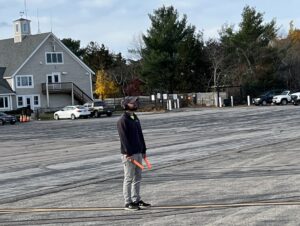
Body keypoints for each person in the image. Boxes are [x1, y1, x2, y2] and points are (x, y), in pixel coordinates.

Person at [117, 96, 151, 211]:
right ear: (126, 105)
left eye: (136, 103)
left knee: (137, 177)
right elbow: (124, 139)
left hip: (138, 152)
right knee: (129, 178)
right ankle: (128, 202)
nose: (135, 104)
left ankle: (136, 200)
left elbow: (140, 135)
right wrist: (128, 153)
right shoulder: (123, 120)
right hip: (129, 155)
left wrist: (144, 150)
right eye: (132, 103)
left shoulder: (135, 118)